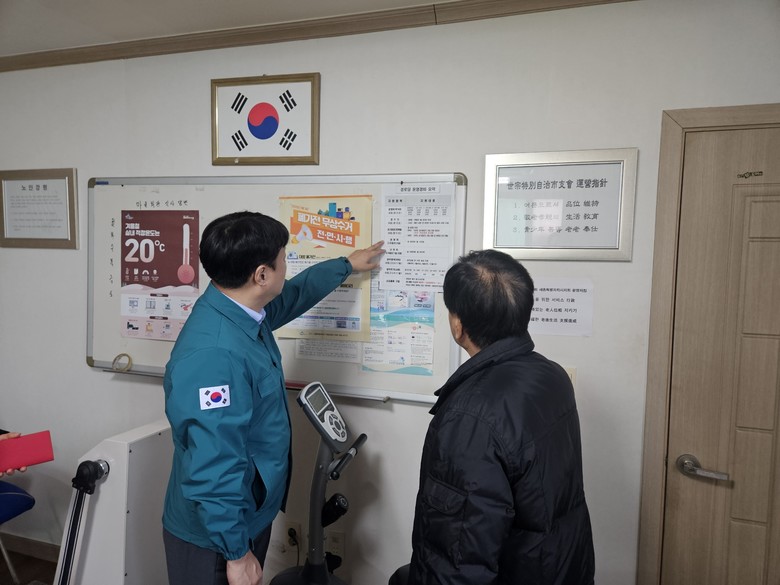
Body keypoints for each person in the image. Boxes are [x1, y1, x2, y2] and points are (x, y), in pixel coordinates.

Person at [162, 211, 385, 585]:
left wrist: (345, 265)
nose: (287, 266)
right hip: (216, 537)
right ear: (262, 275)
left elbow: (292, 296)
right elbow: (213, 466)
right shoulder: (214, 356)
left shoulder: (240, 310)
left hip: (246, 516)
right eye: (284, 259)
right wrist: (236, 553)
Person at [402, 249, 594, 585]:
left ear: (458, 325)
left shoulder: (470, 417)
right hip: (561, 569)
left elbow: (458, 560)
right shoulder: (551, 375)